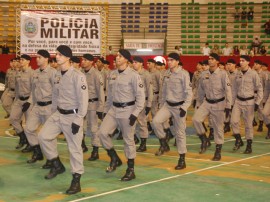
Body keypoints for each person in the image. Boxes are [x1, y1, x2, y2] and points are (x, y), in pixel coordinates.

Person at [38, 45, 88, 194]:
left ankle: (76, 180)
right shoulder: (57, 75)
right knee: (43, 136)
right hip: (58, 114)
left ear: (67, 57)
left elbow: (83, 100)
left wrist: (78, 120)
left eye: (59, 54)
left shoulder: (78, 76)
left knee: (74, 149)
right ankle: (57, 164)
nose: (56, 56)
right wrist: (53, 113)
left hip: (73, 116)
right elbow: (55, 95)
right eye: (56, 54)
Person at [98, 49, 145, 181]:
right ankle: (114, 158)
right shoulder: (112, 74)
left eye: (120, 56)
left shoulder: (134, 75)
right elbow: (110, 96)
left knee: (128, 139)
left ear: (126, 60)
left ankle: (131, 170)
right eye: (117, 56)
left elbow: (141, 97)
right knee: (102, 133)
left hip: (128, 110)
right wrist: (105, 111)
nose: (117, 58)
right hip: (113, 109)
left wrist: (135, 114)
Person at [152, 52, 192, 169]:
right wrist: (161, 104)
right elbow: (163, 91)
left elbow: (189, 93)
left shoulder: (184, 74)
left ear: (177, 62)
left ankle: (182, 159)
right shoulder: (166, 74)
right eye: (168, 60)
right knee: (155, 121)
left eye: (171, 60)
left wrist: (184, 108)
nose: (169, 62)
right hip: (168, 105)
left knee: (180, 133)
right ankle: (164, 142)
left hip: (179, 107)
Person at [192, 53, 232, 161]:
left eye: (212, 59)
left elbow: (228, 90)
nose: (210, 60)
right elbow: (200, 90)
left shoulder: (223, 74)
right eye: (209, 59)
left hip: (219, 103)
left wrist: (228, 106)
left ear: (217, 61)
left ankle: (218, 151)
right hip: (206, 102)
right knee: (196, 119)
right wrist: (198, 103)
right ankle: (204, 139)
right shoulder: (204, 74)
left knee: (218, 128)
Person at [24, 50, 57, 164]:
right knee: (28, 129)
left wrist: (56, 109)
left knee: (49, 136)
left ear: (46, 58)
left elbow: (57, 91)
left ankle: (51, 159)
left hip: (49, 107)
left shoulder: (53, 73)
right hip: (37, 106)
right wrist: (30, 102)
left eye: (39, 57)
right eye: (36, 57)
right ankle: (38, 152)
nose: (37, 59)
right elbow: (34, 91)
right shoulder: (35, 73)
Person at [230, 55, 263, 154]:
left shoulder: (253, 74)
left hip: (249, 102)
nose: (240, 62)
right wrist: (232, 103)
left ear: (248, 62)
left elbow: (260, 89)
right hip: (238, 101)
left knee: (248, 125)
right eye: (240, 60)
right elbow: (234, 89)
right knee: (233, 121)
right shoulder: (238, 73)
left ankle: (249, 145)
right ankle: (238, 139)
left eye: (243, 61)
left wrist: (257, 102)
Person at [80, 53, 105, 161]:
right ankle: (82, 145)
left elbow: (100, 92)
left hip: (92, 105)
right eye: (82, 60)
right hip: (81, 105)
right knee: (80, 127)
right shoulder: (80, 73)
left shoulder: (96, 74)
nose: (83, 61)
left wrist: (100, 108)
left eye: (85, 60)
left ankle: (95, 150)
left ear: (91, 62)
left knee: (94, 128)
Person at [9, 54, 34, 151]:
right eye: (20, 60)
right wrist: (15, 100)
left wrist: (30, 102)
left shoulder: (32, 73)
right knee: (13, 118)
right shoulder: (18, 73)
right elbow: (17, 88)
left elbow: (34, 89)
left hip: (28, 101)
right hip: (19, 100)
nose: (21, 61)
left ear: (28, 61)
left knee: (29, 124)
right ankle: (22, 137)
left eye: (23, 60)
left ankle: (30, 144)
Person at [132, 56, 153, 152]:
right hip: (131, 102)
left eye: (136, 62)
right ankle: (134, 138)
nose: (134, 64)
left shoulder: (146, 74)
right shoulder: (131, 73)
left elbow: (150, 90)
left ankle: (143, 144)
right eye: (133, 62)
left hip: (142, 101)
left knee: (142, 122)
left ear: (141, 64)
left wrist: (149, 104)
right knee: (129, 122)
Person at [224, 59, 238, 133]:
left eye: (230, 64)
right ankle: (227, 126)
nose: (228, 66)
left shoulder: (239, 74)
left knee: (234, 114)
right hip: (226, 96)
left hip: (235, 97)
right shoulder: (225, 74)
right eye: (227, 64)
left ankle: (235, 130)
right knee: (226, 112)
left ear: (234, 64)